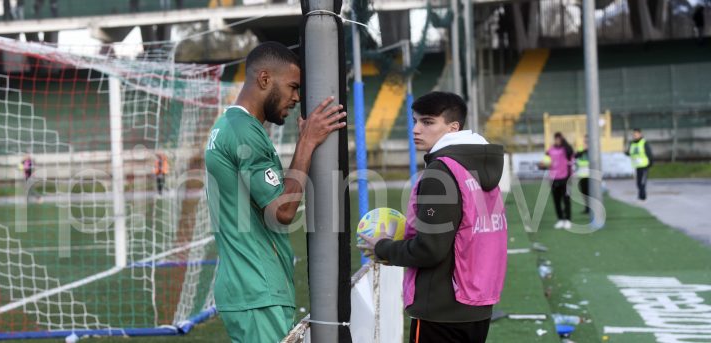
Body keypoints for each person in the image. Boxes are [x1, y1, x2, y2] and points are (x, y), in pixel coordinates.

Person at [204, 42, 346, 343]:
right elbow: (282, 211)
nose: (296, 98)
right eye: (293, 87)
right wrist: (306, 143)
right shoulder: (244, 131)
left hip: (250, 290)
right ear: (265, 79)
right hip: (257, 290)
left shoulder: (229, 125)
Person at [359, 92, 507, 343]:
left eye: (427, 122)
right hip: (478, 304)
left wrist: (384, 247)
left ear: (453, 127)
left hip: (440, 309)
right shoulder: (480, 166)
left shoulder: (441, 172)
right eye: (415, 120)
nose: (416, 129)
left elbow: (430, 249)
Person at [545, 132, 574, 229]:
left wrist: (564, 142)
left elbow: (571, 153)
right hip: (554, 179)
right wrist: (543, 164)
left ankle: (568, 220)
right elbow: (546, 161)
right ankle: (560, 219)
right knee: (556, 201)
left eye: (559, 139)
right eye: (556, 139)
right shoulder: (550, 150)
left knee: (566, 200)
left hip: (565, 178)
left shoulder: (566, 149)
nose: (557, 141)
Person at [625, 128, 653, 201]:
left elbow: (649, 154)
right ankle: (641, 196)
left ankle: (642, 197)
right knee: (638, 183)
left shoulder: (644, 143)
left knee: (642, 182)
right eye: (634, 135)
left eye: (636, 134)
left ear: (640, 134)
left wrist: (650, 163)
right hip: (637, 166)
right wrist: (625, 152)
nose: (635, 136)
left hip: (644, 166)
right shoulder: (632, 143)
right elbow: (630, 153)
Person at [575, 138, 590, 214]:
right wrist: (583, 150)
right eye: (585, 141)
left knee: (590, 193)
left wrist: (587, 150)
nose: (586, 142)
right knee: (584, 193)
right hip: (581, 174)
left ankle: (592, 208)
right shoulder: (581, 148)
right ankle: (587, 208)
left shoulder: (593, 149)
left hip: (590, 175)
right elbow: (576, 156)